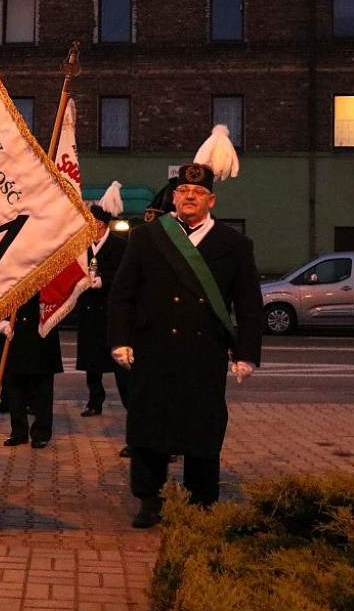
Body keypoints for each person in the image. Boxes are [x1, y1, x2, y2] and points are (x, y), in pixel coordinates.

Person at [108, 162, 262, 529]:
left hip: (203, 352)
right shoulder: (147, 237)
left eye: (197, 194)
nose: (189, 198)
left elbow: (249, 303)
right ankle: (150, 499)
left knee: (202, 428)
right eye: (183, 193)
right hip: (153, 348)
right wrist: (120, 340)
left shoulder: (234, 244)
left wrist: (246, 354)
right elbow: (122, 296)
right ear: (174, 198)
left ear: (211, 200)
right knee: (149, 427)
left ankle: (201, 501)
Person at [75, 202, 130, 452]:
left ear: (102, 225)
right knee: (91, 358)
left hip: (109, 309)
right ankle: (94, 399)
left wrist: (103, 280)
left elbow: (125, 272)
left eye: (93, 225)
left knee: (117, 359)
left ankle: (128, 402)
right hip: (88, 309)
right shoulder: (82, 245)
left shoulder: (120, 244)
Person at [0, 293, 62, 449]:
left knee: (42, 385)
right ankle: (18, 431)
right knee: (14, 385)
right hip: (14, 326)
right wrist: (0, 320)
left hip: (41, 325)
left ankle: (41, 432)